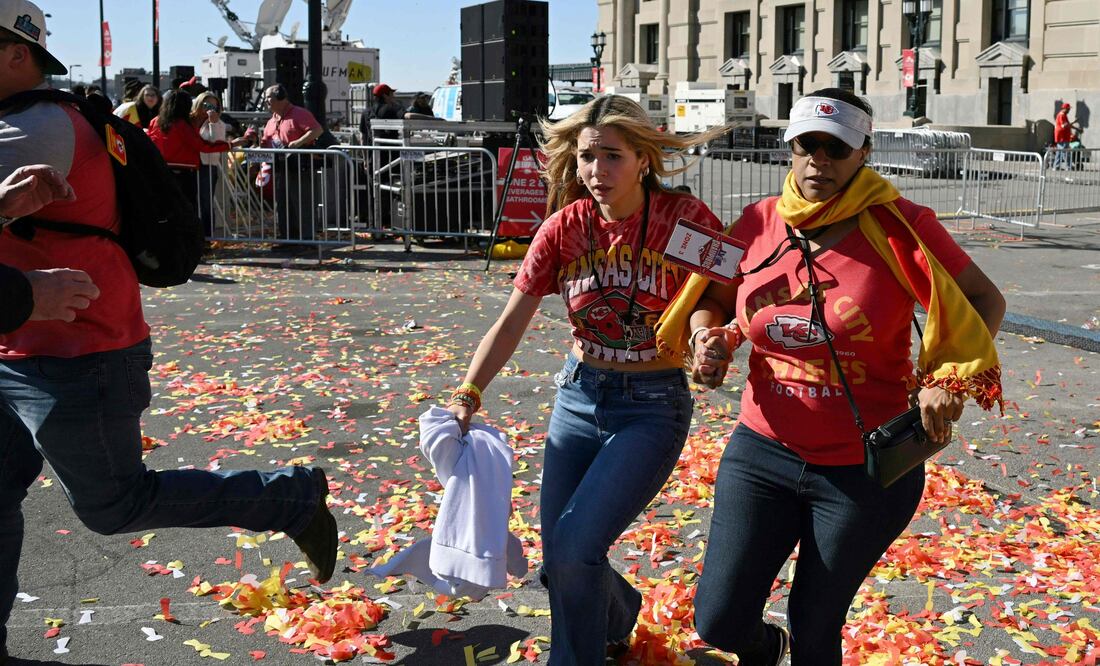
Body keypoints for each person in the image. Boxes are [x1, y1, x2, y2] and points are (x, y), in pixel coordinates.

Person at [0, 5, 337, 661]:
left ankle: (288, 498)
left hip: (77, 354)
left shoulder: (31, 129)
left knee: (116, 505)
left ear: (16, 54)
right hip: (20, 342)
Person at [655, 89, 1006, 665]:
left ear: (863, 151)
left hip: (862, 470)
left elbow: (981, 299)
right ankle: (765, 649)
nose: (819, 160)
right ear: (789, 147)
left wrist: (946, 377)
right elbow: (712, 302)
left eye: (836, 148)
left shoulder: (901, 226)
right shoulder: (756, 222)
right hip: (761, 452)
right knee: (717, 617)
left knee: (817, 624)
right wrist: (706, 337)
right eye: (807, 145)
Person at [446, 95, 727, 664]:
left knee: (575, 549)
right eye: (587, 158)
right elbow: (510, 321)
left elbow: (717, 292)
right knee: (562, 559)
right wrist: (467, 393)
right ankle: (619, 614)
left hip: (652, 405)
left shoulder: (683, 220)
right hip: (578, 396)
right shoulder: (563, 229)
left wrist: (705, 337)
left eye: (612, 156)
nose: (597, 171)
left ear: (643, 159)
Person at [146, 89, 241, 226]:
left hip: (163, 169)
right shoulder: (181, 125)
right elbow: (202, 145)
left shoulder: (156, 121)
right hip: (184, 170)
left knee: (168, 206)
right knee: (187, 207)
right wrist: (230, 145)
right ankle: (191, 240)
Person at [259, 83, 323, 244]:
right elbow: (266, 141)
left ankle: (307, 238)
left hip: (300, 166)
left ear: (281, 98)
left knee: (303, 202)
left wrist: (299, 142)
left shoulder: (300, 113)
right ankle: (287, 237)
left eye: (269, 97)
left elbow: (317, 130)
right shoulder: (272, 120)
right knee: (283, 203)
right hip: (280, 167)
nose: (266, 101)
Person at [192, 91, 231, 237]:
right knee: (192, 201)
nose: (210, 109)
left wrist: (213, 123)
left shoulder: (219, 123)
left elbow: (217, 143)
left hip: (207, 166)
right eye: (206, 105)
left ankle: (208, 235)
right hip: (190, 165)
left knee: (205, 202)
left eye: (214, 107)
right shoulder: (190, 121)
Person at [1052, 102, 1080, 170]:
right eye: (1068, 109)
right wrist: (1074, 123)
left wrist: (1076, 128)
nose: (1069, 110)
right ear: (1064, 108)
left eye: (1069, 109)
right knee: (1065, 152)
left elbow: (1067, 125)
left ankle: (1056, 166)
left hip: (1062, 136)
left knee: (1059, 152)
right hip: (1062, 137)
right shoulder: (1062, 115)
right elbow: (1064, 125)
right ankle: (1068, 166)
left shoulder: (1063, 115)